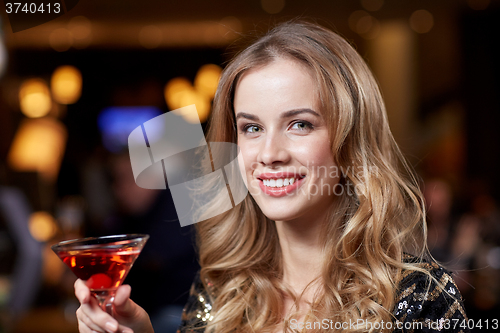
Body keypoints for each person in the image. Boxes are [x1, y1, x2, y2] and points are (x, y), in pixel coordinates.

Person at [74, 21, 469, 333]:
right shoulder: (221, 291)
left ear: (351, 140)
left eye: (299, 124)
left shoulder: (418, 296)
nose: (269, 155)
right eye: (251, 128)